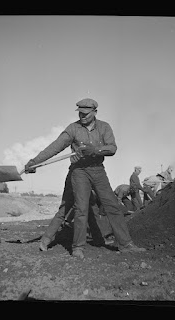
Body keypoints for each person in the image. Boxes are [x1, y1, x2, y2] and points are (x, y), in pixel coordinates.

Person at [25, 98, 146, 259]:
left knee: (112, 206)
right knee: (81, 208)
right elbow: (54, 147)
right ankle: (78, 248)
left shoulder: (104, 127)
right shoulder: (73, 128)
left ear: (95, 112)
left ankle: (126, 244)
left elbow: (112, 148)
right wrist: (35, 162)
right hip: (79, 171)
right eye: (80, 113)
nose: (82, 116)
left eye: (86, 114)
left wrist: (95, 150)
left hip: (98, 170)